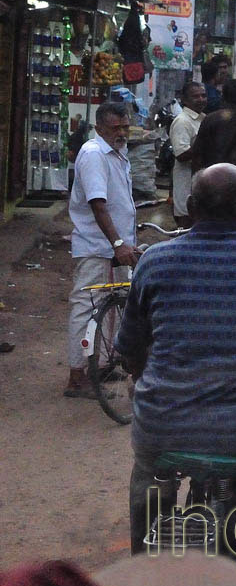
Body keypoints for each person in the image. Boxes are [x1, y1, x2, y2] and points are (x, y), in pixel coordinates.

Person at [118, 164, 236, 586]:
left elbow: (130, 345)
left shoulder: (156, 260)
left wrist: (139, 376)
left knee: (150, 491)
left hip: (162, 430)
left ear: (190, 208)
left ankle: (146, 575)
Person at [64, 102, 138, 398]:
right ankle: (76, 376)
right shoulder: (94, 154)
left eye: (124, 126)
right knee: (87, 306)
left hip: (117, 245)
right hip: (99, 245)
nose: (121, 132)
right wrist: (117, 243)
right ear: (99, 129)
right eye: (115, 128)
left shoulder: (118, 153)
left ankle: (103, 364)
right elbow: (98, 204)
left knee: (114, 303)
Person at [169, 82, 207, 228]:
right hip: (186, 183)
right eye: (196, 96)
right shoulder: (182, 121)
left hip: (200, 183)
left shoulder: (202, 118)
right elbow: (181, 154)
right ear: (184, 99)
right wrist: (206, 144)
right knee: (187, 223)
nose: (201, 99)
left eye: (203, 95)